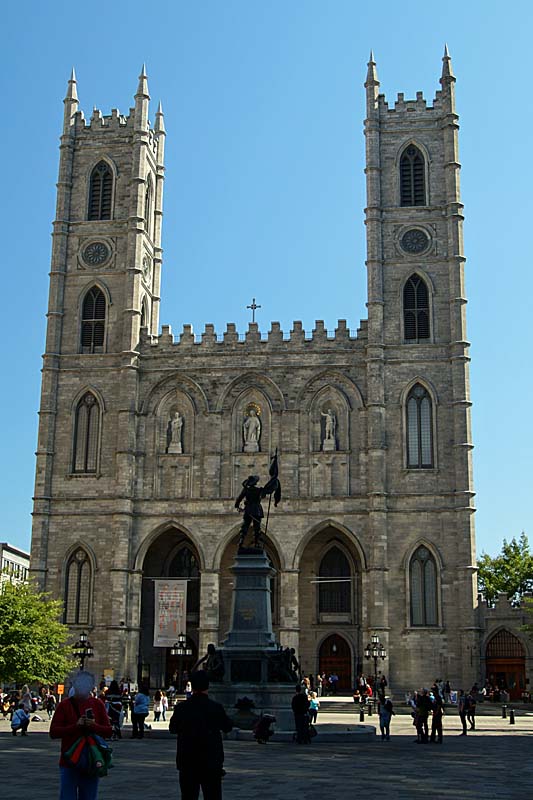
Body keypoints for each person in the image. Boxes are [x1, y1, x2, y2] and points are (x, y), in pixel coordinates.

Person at [169, 670, 233, 800]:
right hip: (211, 761)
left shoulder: (182, 708)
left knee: (188, 796)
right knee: (213, 796)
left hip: (187, 761)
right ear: (208, 686)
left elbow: (173, 728)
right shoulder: (215, 707)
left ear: (192, 686)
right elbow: (227, 727)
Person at [50, 670, 112, 800]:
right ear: (75, 685)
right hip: (70, 759)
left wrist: (93, 726)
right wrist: (76, 726)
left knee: (89, 796)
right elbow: (54, 732)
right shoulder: (65, 705)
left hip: (91, 758)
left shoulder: (97, 704)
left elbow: (108, 731)